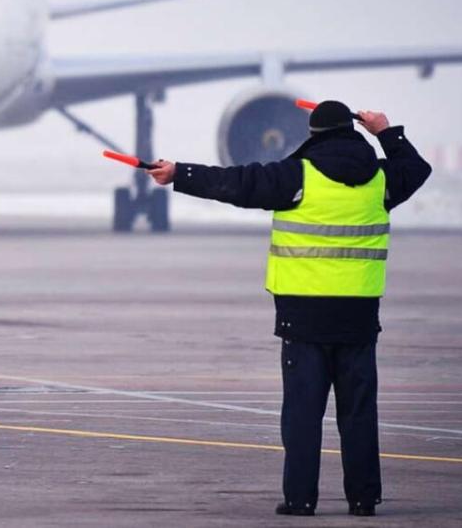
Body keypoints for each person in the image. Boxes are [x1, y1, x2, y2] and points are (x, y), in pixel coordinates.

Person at [146, 100, 431, 517]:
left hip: (304, 320)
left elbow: (234, 183)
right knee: (358, 416)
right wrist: (386, 131)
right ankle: (364, 499)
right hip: (358, 320)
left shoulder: (295, 176)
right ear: (351, 132)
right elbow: (417, 169)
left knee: (302, 417)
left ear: (313, 135)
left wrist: (179, 174)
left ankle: (300, 501)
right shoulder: (382, 182)